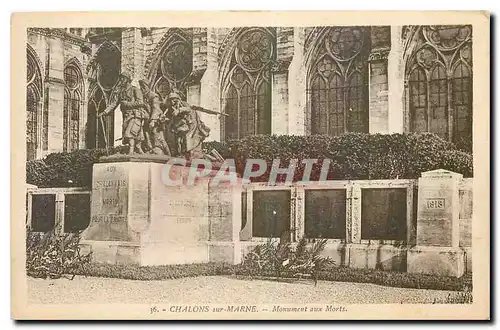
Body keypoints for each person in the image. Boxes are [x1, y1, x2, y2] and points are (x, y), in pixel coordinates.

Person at [98, 72, 148, 155]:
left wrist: (128, 104)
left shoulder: (135, 90)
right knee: (133, 136)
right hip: (126, 116)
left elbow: (141, 102)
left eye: (123, 78)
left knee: (130, 133)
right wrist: (104, 112)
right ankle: (139, 151)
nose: (121, 80)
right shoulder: (120, 92)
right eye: (121, 78)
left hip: (135, 115)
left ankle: (131, 152)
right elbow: (114, 103)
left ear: (127, 80)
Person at [138, 80, 171, 156]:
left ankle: (169, 155)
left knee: (159, 138)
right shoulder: (142, 97)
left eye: (143, 87)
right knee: (147, 135)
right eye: (141, 87)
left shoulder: (153, 96)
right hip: (146, 120)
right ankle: (151, 150)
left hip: (156, 120)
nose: (142, 89)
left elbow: (155, 108)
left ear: (147, 87)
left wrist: (153, 120)